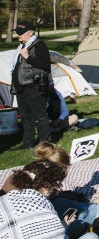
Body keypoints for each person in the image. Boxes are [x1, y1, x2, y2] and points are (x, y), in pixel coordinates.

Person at [0, 159, 99, 239]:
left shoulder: (7, 199)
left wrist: (63, 225)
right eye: (53, 187)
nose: (55, 190)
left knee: (75, 222)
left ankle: (97, 212)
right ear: (45, 186)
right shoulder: (40, 208)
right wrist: (62, 227)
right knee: (92, 238)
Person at [10, 21, 52, 150]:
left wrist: (28, 57)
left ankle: (44, 143)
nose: (18, 35)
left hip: (34, 86)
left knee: (40, 115)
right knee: (25, 116)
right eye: (17, 32)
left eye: (21, 33)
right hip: (21, 87)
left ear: (30, 32)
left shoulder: (39, 45)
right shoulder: (22, 45)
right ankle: (27, 143)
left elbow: (45, 64)